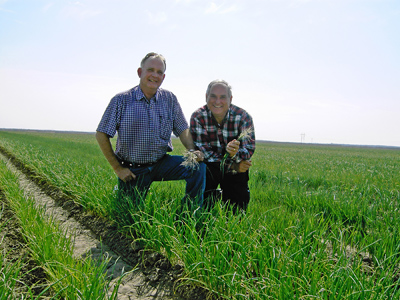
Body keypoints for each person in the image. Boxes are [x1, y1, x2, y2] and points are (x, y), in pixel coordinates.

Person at [96, 52, 206, 219]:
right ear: (140, 72)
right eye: (151, 70)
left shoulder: (169, 99)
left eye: (159, 72)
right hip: (133, 170)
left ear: (163, 77)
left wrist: (192, 150)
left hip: (161, 163)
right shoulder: (121, 100)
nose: (155, 75)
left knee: (197, 167)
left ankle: (188, 215)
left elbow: (182, 129)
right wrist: (118, 169)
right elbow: (101, 134)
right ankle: (122, 191)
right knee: (128, 219)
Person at [190, 79, 255, 213]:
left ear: (230, 99)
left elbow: (249, 149)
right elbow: (204, 151)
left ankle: (234, 214)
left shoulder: (243, 116)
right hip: (210, 166)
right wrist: (231, 163)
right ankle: (204, 210)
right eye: (213, 96)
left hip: (236, 166)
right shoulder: (198, 116)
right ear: (206, 97)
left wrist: (235, 154)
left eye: (222, 97)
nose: (217, 101)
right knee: (202, 208)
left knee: (236, 212)